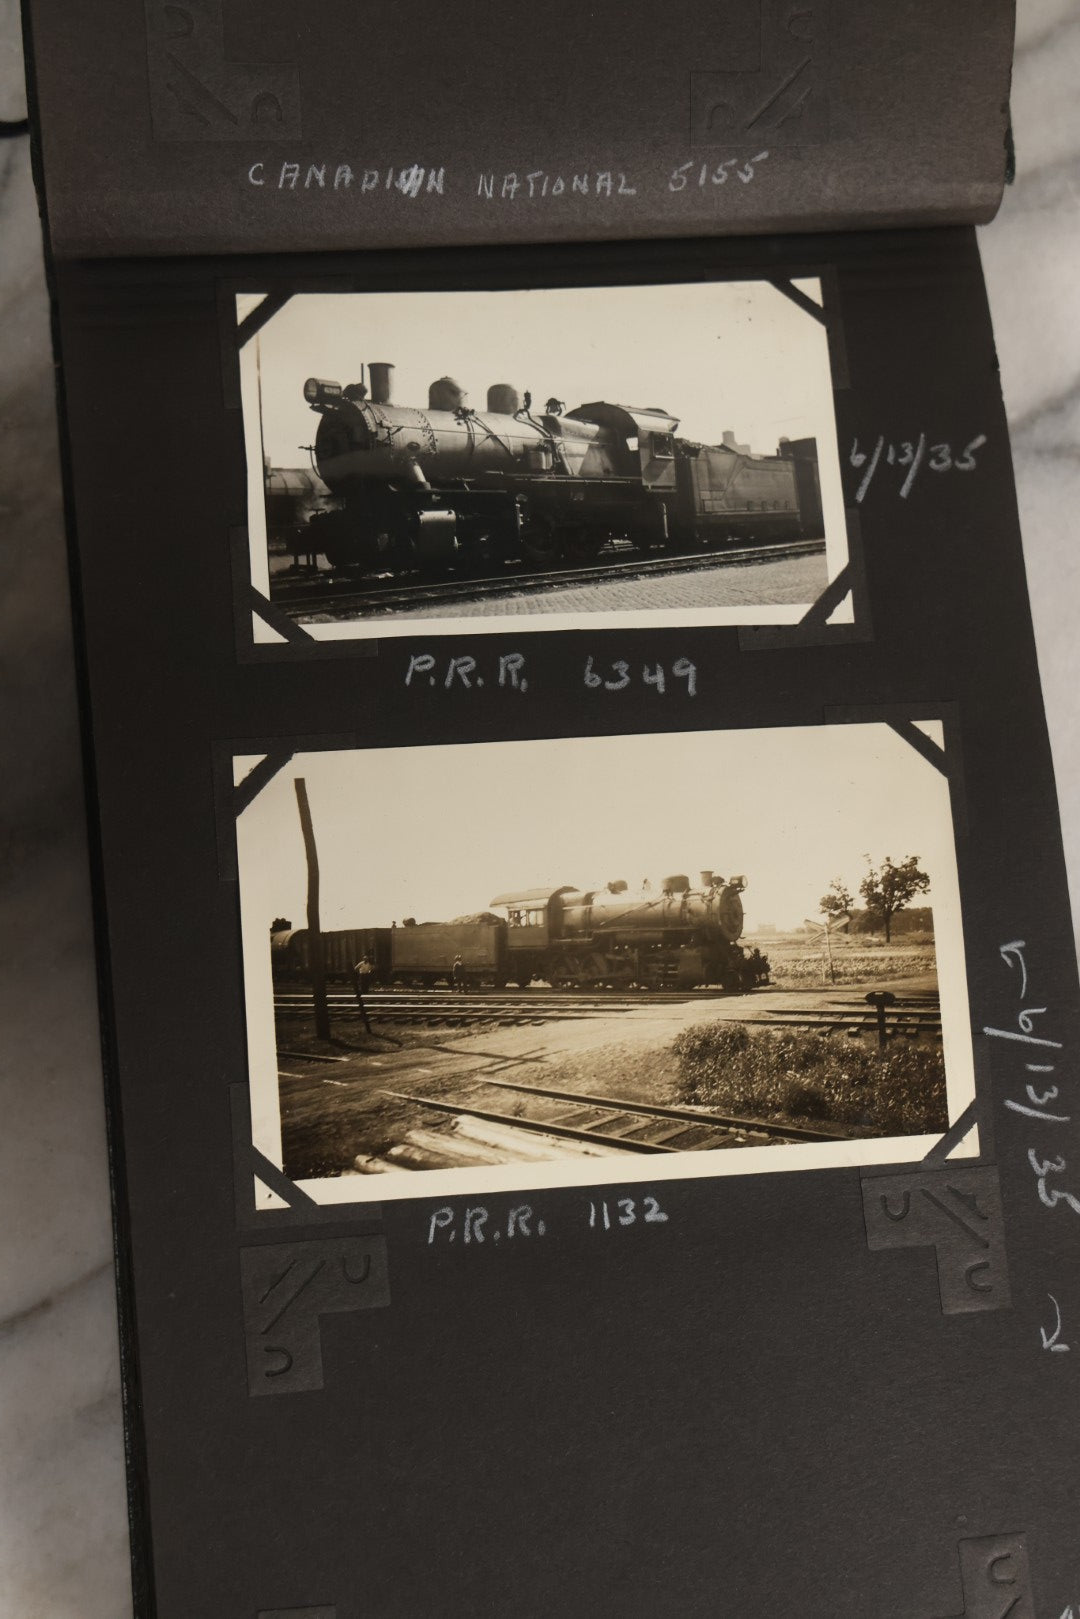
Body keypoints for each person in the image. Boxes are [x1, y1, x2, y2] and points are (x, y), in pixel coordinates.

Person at [353, 956, 374, 1035]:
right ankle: (363, 992)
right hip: (362, 975)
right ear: (363, 959)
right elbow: (356, 968)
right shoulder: (361, 963)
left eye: (366, 959)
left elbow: (371, 969)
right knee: (362, 984)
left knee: (366, 985)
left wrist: (369, 972)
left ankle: (366, 992)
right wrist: (359, 972)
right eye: (365, 959)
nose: (366, 960)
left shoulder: (368, 964)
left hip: (366, 975)